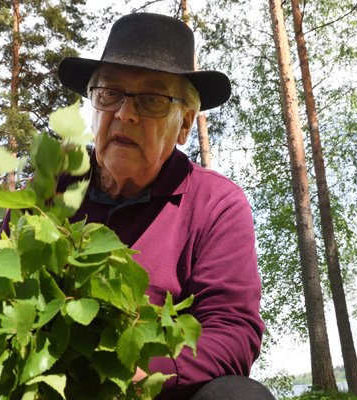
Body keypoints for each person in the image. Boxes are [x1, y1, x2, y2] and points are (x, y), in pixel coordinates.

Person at [56, 12, 273, 400]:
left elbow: (232, 330)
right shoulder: (51, 190)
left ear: (185, 124)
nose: (124, 113)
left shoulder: (217, 204)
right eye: (110, 94)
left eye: (152, 99)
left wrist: (145, 369)